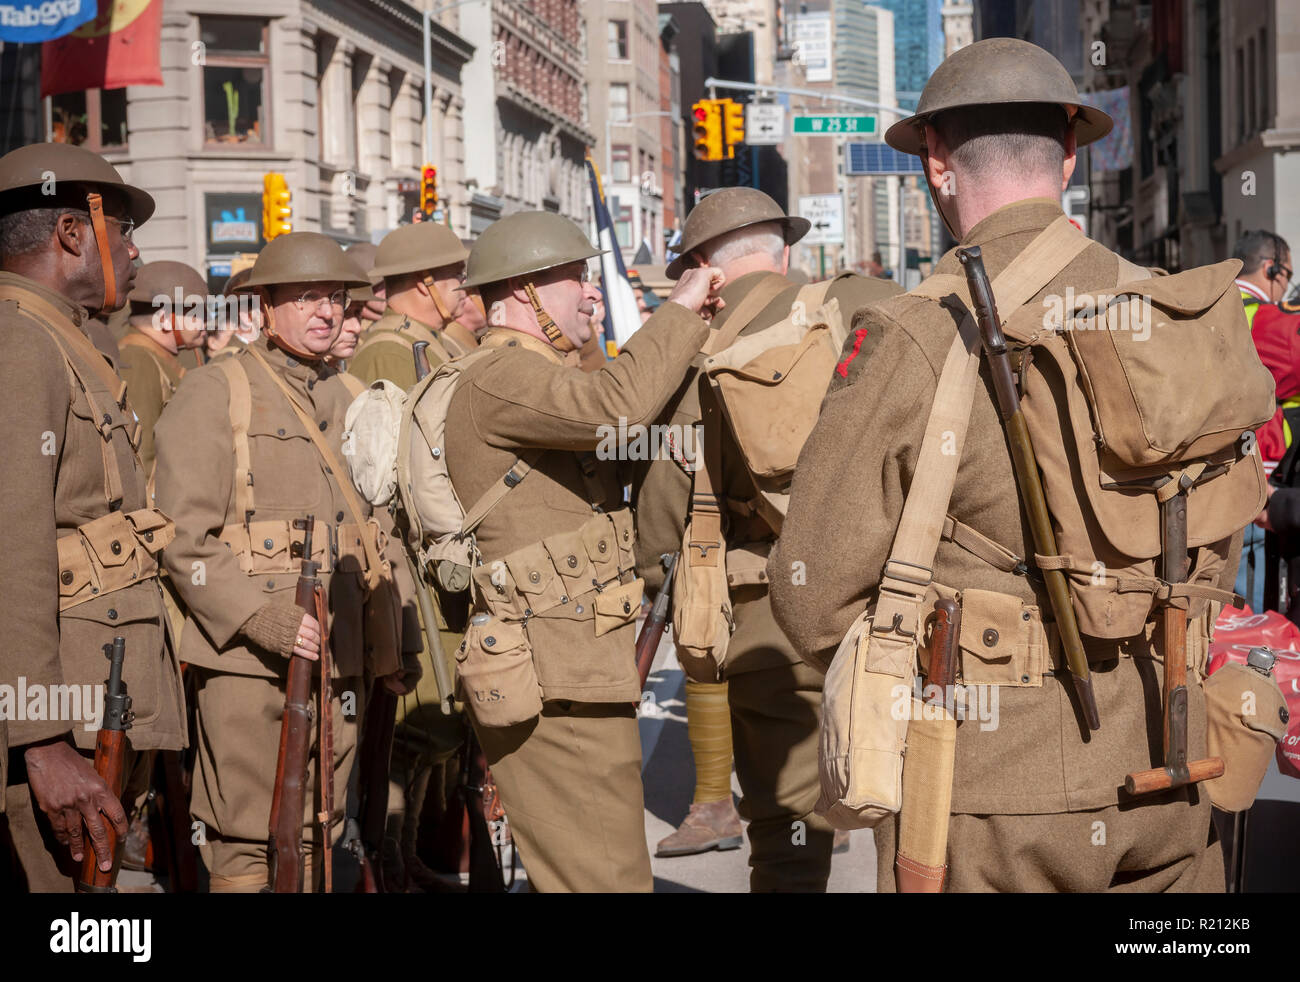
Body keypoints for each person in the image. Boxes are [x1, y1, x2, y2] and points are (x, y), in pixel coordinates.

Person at [770, 37, 1254, 892]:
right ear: (1070, 157)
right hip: (1174, 758)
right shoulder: (1166, 308)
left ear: (935, 163)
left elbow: (810, 599)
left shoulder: (911, 334)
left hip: (996, 794)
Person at [429, 210, 722, 891]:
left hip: (579, 662)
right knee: (603, 877)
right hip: (547, 673)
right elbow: (614, 409)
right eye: (575, 281)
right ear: (524, 293)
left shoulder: (542, 375)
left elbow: (641, 434)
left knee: (606, 868)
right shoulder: (498, 376)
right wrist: (675, 312)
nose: (591, 294)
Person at [632, 187, 901, 889]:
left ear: (701, 270)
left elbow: (665, 520)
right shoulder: (863, 306)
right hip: (889, 607)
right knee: (912, 821)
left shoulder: (692, 354)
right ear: (785, 251)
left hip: (766, 620)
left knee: (786, 841)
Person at [152, 232, 419, 891]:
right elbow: (179, 536)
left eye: (334, 297)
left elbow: (382, 528)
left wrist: (398, 639)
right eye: (304, 297)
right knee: (248, 840)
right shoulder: (216, 392)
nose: (325, 310)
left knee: (321, 830)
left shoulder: (350, 395)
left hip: (344, 657)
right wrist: (258, 618)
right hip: (250, 664)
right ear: (264, 306)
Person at [0, 142, 186, 890]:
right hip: (55, 725)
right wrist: (42, 739)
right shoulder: (21, 345)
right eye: (123, 235)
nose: (135, 254)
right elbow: (11, 549)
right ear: (74, 235)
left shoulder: (69, 341)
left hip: (94, 709)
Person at [1233, 230, 1297, 611]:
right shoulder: (1274, 323)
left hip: (1198, 479)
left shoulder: (1205, 306)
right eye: (1287, 276)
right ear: (1272, 270)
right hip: (1258, 486)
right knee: (1252, 621)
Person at [348, 222, 475, 390]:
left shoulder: (432, 339)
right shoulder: (390, 354)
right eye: (457, 274)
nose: (463, 283)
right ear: (424, 283)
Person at [116, 260, 210, 473]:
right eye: (197, 315)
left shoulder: (154, 356)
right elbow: (142, 455)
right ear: (166, 320)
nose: (206, 322)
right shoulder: (137, 360)